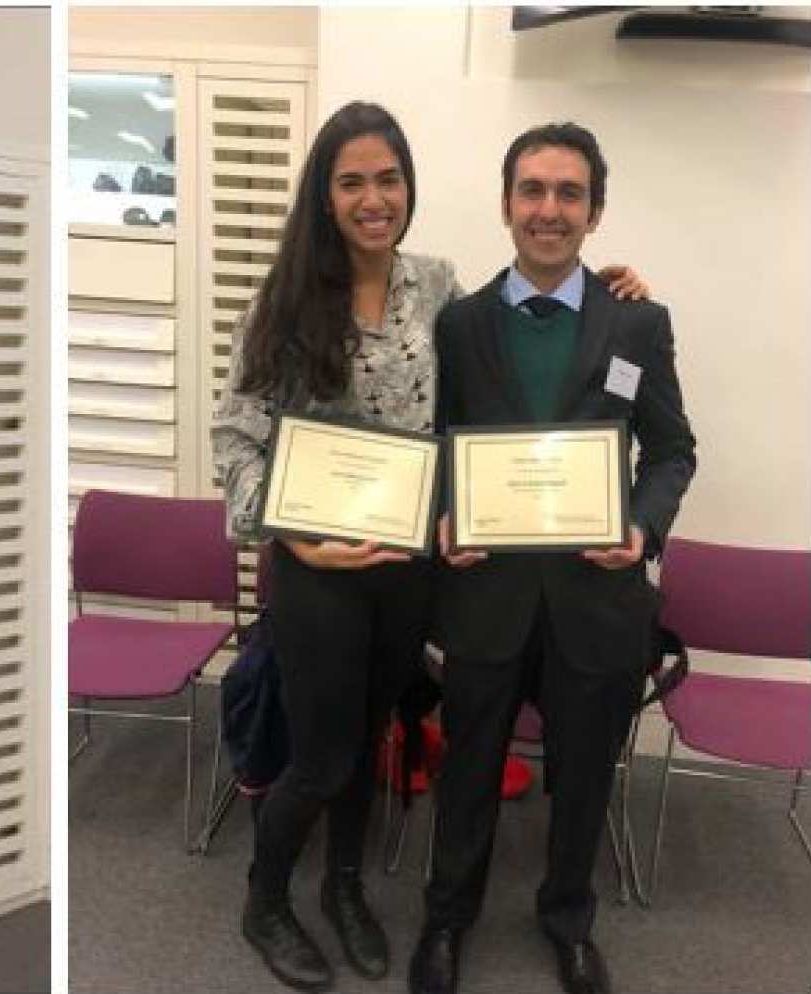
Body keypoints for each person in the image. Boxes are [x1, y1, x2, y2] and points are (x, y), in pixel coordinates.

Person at [213, 102, 649, 993]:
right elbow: (235, 440)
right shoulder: (281, 302)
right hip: (319, 573)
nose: (373, 199)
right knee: (322, 757)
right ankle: (265, 899)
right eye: (352, 182)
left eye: (388, 179)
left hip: (407, 572)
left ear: (408, 188)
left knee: (371, 737)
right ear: (324, 195)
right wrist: (296, 536)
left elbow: (517, 328)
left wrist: (606, 296)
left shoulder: (435, 286)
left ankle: (343, 889)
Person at [410, 123, 695, 994]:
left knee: (582, 778)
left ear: (594, 212)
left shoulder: (638, 322)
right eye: (532, 189)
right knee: (467, 770)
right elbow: (435, 443)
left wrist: (641, 529)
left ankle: (568, 920)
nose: (549, 209)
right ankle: (447, 919)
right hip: (485, 595)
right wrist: (445, 514)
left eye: (569, 193)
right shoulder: (458, 324)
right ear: (506, 204)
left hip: (596, 599)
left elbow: (671, 451)